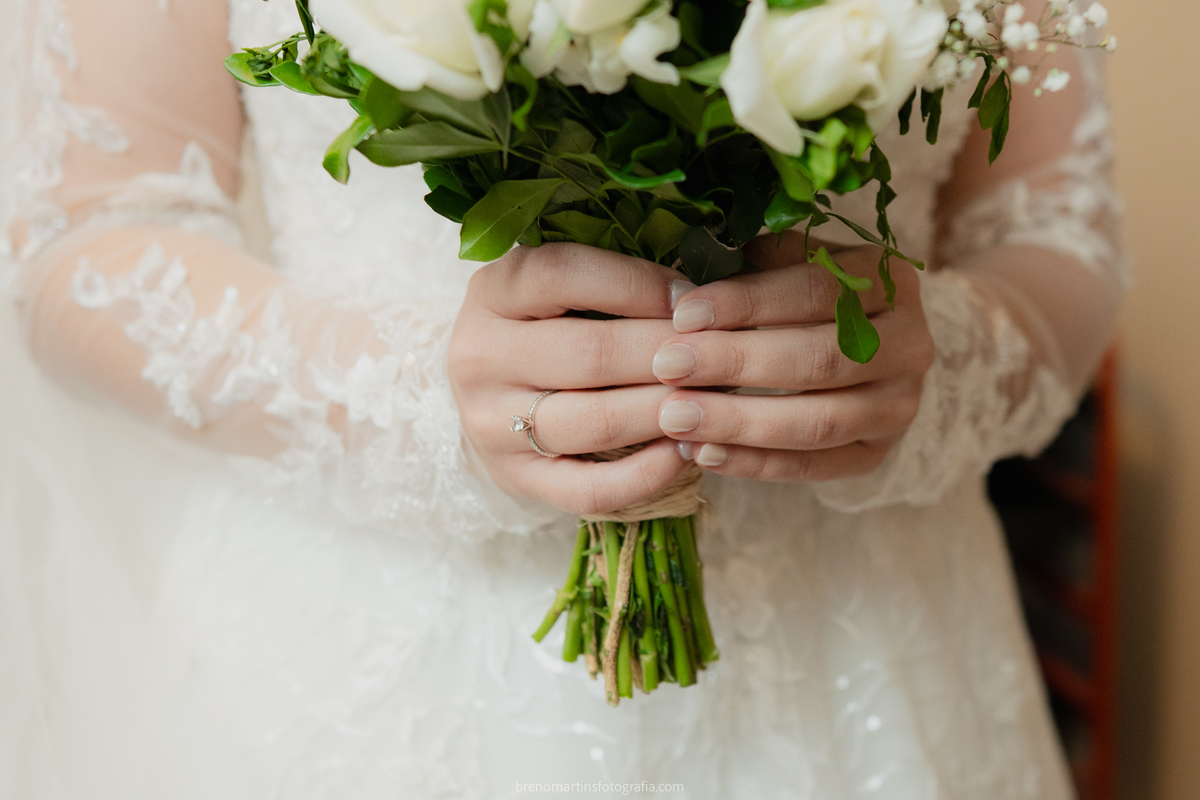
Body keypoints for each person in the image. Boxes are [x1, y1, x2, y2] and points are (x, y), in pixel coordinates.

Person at [0, 0, 1123, 797]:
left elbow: (1053, 233)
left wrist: (939, 367)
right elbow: (84, 234)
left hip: (873, 639)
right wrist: (419, 398)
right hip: (363, 652)